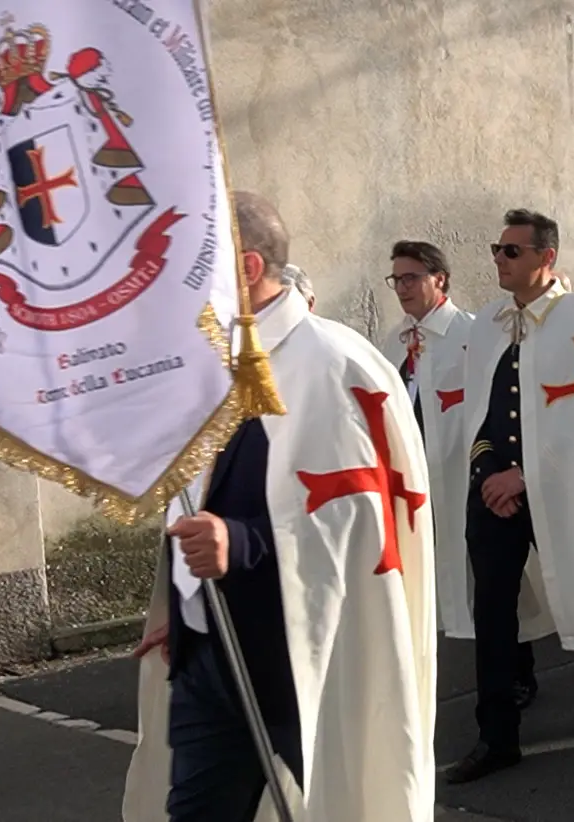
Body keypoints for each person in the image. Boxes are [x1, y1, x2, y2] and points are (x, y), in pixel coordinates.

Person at [122, 191, 436, 821]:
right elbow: (199, 492)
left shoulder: (330, 364)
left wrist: (241, 545)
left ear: (246, 268)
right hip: (208, 646)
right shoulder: (209, 362)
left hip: (297, 650)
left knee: (314, 802)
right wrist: (184, 606)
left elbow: (357, 514)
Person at [445, 209, 574, 783]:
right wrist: (490, 470)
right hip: (495, 495)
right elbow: (480, 411)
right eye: (497, 248)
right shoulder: (488, 323)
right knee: (493, 611)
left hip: (566, 489)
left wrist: (528, 478)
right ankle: (496, 736)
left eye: (511, 250)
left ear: (546, 258)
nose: (498, 259)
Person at [383, 241, 552, 711]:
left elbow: (492, 408)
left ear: (441, 279)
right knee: (456, 580)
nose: (403, 288)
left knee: (499, 581)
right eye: (397, 279)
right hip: (420, 481)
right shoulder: (395, 341)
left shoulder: (473, 333)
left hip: (471, 475)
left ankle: (523, 669)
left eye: (412, 277)